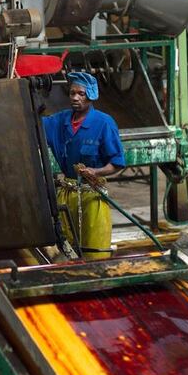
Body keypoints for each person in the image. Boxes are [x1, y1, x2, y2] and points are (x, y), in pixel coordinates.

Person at [42, 72, 125, 258]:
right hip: (66, 194)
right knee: (64, 251)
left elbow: (117, 163)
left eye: (81, 94)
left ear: (92, 95)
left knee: (95, 251)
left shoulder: (104, 123)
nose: (75, 98)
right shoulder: (59, 121)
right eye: (72, 93)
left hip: (91, 195)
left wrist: (96, 171)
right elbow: (34, 124)